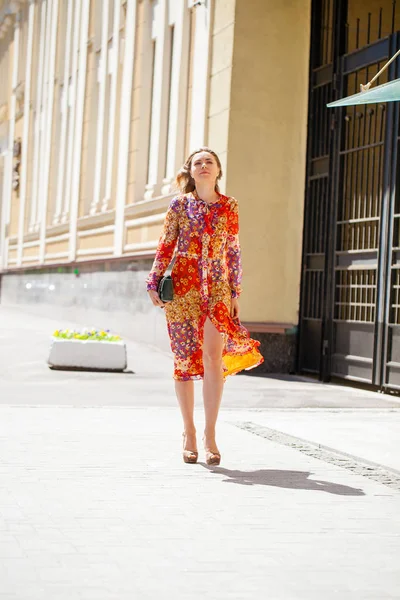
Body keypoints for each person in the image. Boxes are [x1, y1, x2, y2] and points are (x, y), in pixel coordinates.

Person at [146, 147, 263, 465]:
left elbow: (234, 249)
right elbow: (166, 243)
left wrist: (235, 292)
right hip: (184, 290)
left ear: (218, 171)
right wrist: (154, 280)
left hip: (218, 290)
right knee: (184, 361)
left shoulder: (230, 206)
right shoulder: (180, 205)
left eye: (209, 161)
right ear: (191, 172)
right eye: (198, 162)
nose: (204, 166)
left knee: (213, 359)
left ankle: (210, 435)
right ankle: (189, 432)